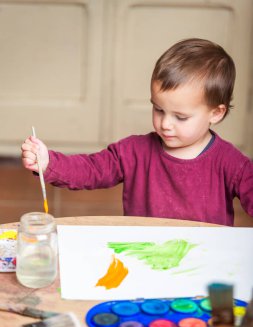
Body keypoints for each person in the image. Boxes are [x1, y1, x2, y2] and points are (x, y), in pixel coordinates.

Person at [21, 38, 253, 226]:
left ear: (216, 113)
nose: (165, 124)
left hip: (203, 264)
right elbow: (92, 170)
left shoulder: (231, 163)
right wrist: (48, 162)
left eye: (180, 117)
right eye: (158, 109)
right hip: (143, 254)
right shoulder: (134, 151)